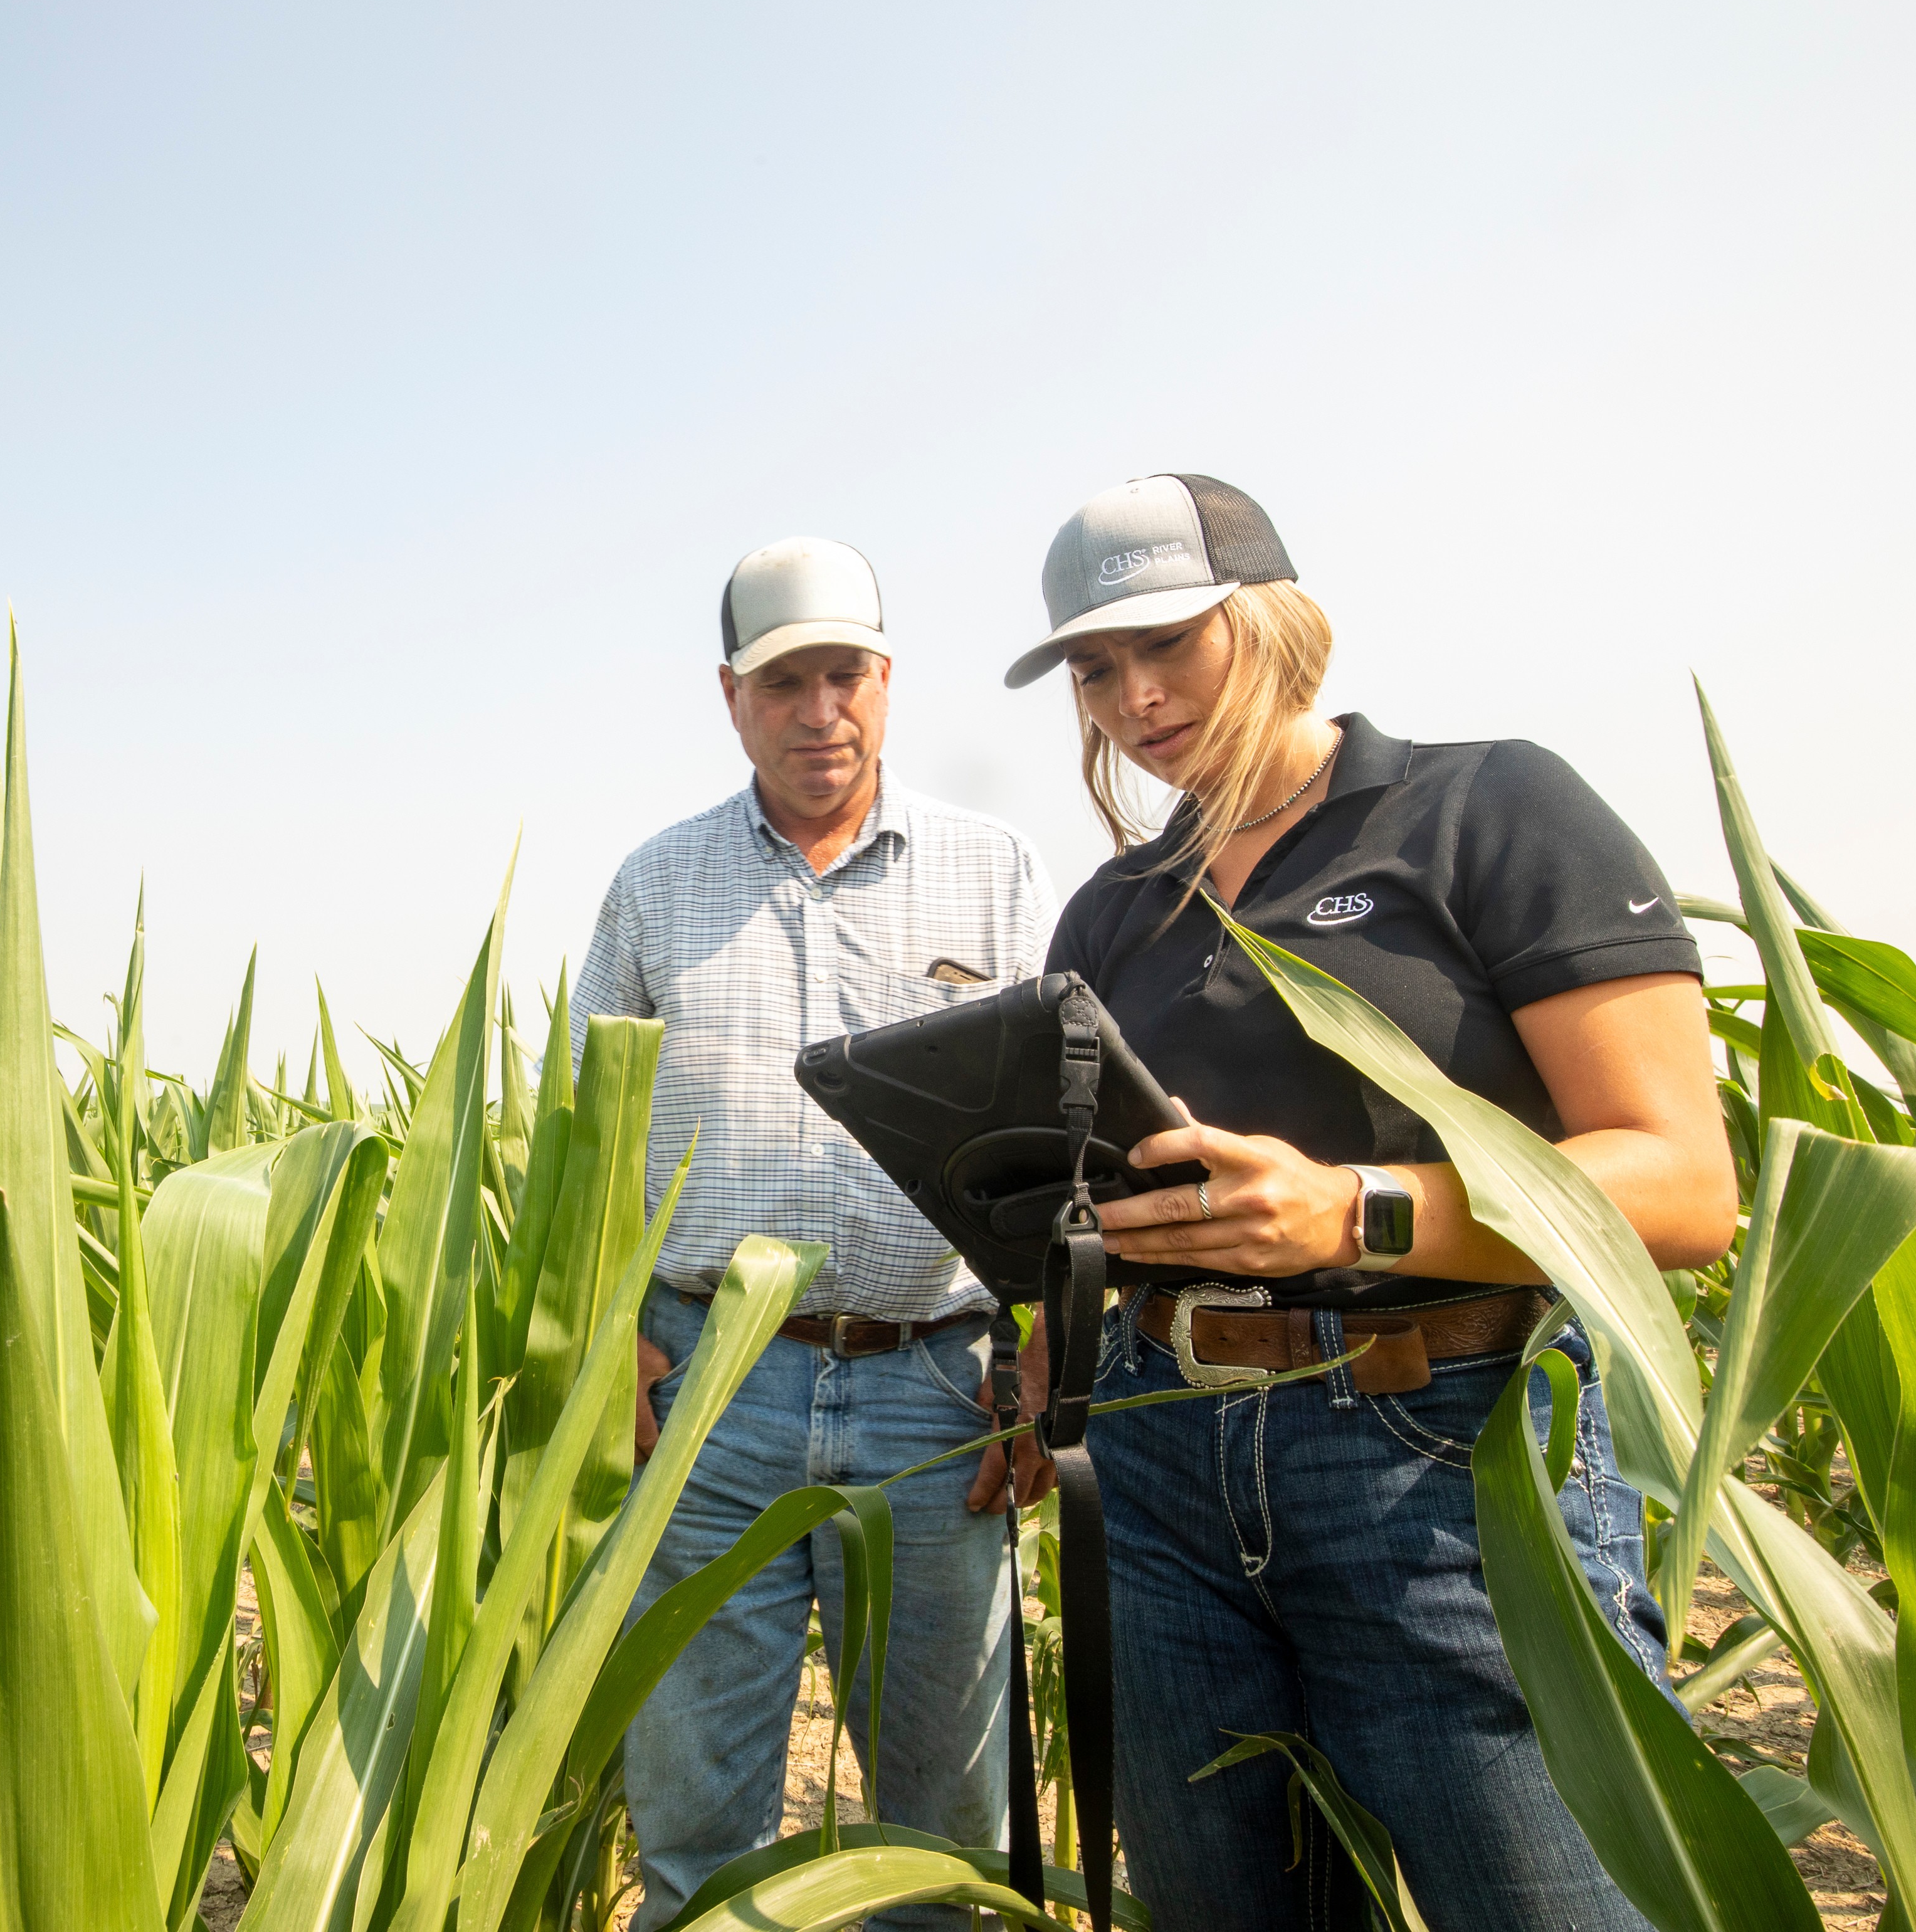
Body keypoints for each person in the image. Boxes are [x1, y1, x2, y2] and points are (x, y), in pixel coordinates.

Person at [1003, 474, 1738, 1930]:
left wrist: (1359, 1212)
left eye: (1171, 643)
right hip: (1161, 1474)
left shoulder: (1487, 807)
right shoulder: (1112, 905)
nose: (1134, 697)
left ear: (1274, 623)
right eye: (1095, 668)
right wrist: (1049, 1349)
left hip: (1440, 1457)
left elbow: (1679, 1180)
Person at [576, 536, 1061, 1932]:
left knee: (941, 1829)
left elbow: (1059, 1144)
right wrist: (615, 1343)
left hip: (938, 1389)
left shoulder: (995, 870)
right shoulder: (654, 888)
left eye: (844, 673)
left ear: (887, 682)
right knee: (694, 1808)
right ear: (732, 696)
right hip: (708, 1387)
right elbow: (585, 1143)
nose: (819, 710)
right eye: (784, 680)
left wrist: (1044, 1349)